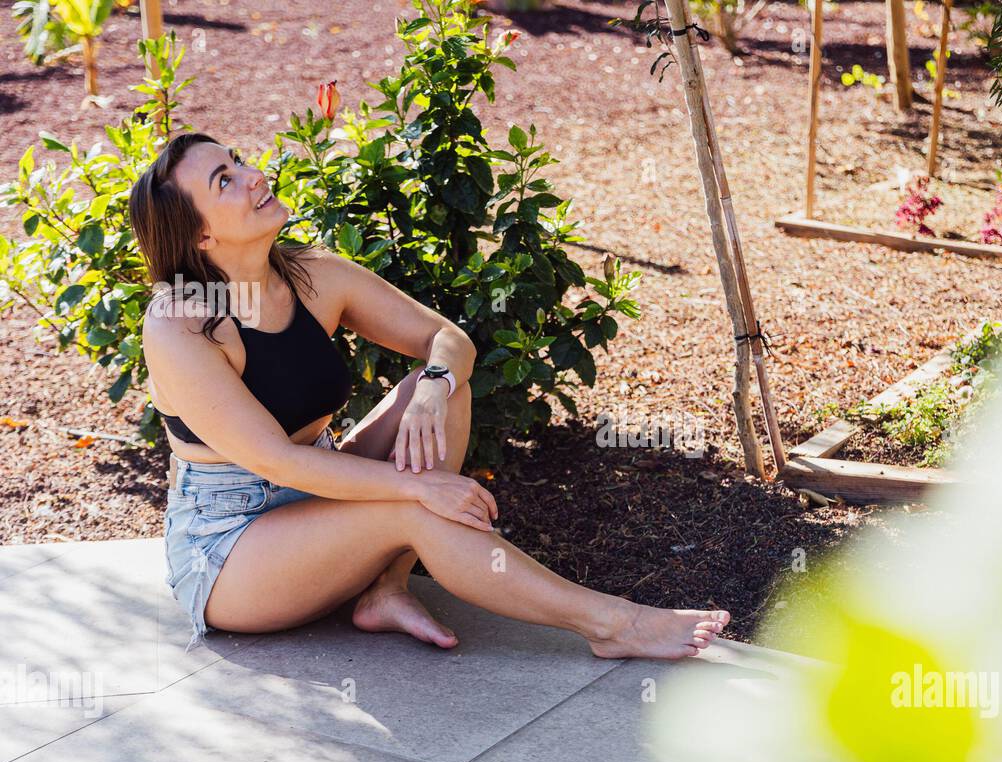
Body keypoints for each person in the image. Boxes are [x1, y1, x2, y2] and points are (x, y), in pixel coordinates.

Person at [129, 132, 730, 657]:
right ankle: (613, 623)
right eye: (225, 180)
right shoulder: (181, 324)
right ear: (200, 234)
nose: (254, 175)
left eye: (238, 160)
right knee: (415, 507)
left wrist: (434, 387)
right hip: (231, 548)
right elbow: (277, 460)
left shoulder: (313, 275)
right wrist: (417, 486)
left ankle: (384, 590)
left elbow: (448, 339)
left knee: (444, 389)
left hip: (323, 483)